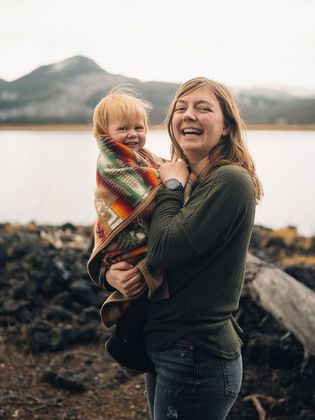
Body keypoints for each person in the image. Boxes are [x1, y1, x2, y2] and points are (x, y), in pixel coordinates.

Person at [105, 77, 263, 419]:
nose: (189, 115)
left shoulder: (229, 181)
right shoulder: (175, 175)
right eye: (181, 108)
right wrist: (111, 274)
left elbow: (164, 249)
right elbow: (133, 238)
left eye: (203, 108)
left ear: (225, 127)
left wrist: (172, 185)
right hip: (165, 346)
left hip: (197, 354)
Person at [87, 86, 172, 374]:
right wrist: (172, 181)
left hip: (140, 242)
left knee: (142, 292)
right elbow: (138, 193)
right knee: (139, 293)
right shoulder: (112, 164)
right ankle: (124, 342)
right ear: (104, 133)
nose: (133, 134)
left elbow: (158, 170)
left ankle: (129, 341)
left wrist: (169, 171)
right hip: (126, 246)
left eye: (139, 127)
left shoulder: (143, 159)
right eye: (123, 128)